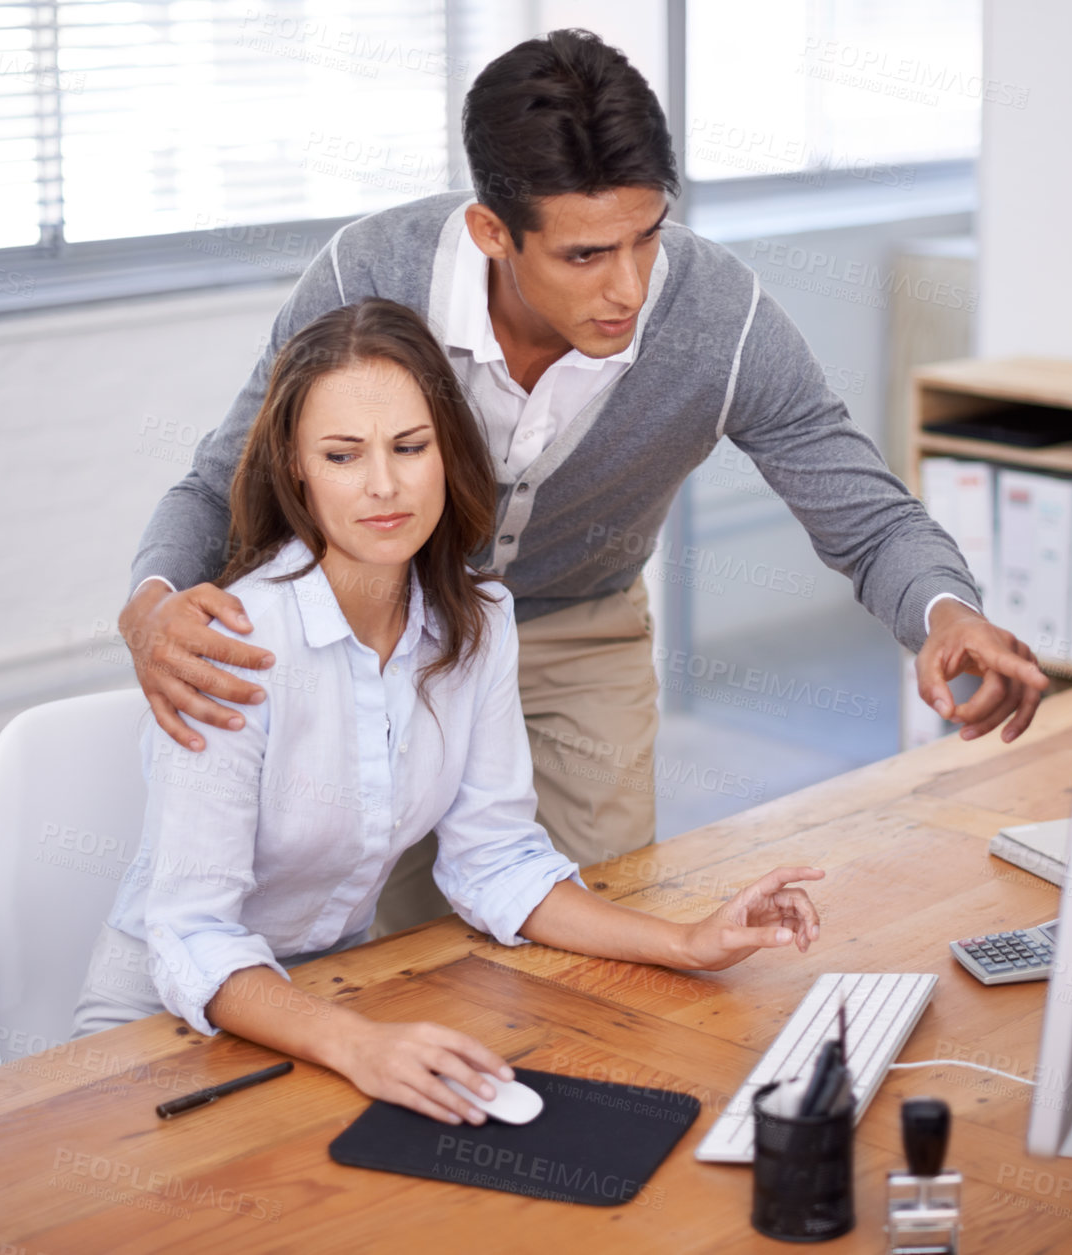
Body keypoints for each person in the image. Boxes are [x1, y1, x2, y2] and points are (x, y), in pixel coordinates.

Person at [117, 29, 1048, 936]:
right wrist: (151, 599)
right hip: (383, 632)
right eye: (584, 255)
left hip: (580, 627)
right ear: (493, 233)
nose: (630, 288)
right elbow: (220, 479)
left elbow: (864, 509)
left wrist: (948, 612)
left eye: (646, 236)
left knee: (605, 920)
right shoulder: (373, 273)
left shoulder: (718, 316)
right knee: (402, 942)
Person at [73, 297, 823, 1126]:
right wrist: (358, 1043)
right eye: (343, 455)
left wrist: (686, 941)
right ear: (297, 471)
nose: (384, 485)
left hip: (325, 1007)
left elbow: (496, 861)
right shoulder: (232, 645)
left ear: (447, 453)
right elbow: (195, 934)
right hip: (168, 1028)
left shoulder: (477, 623)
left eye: (410, 447)